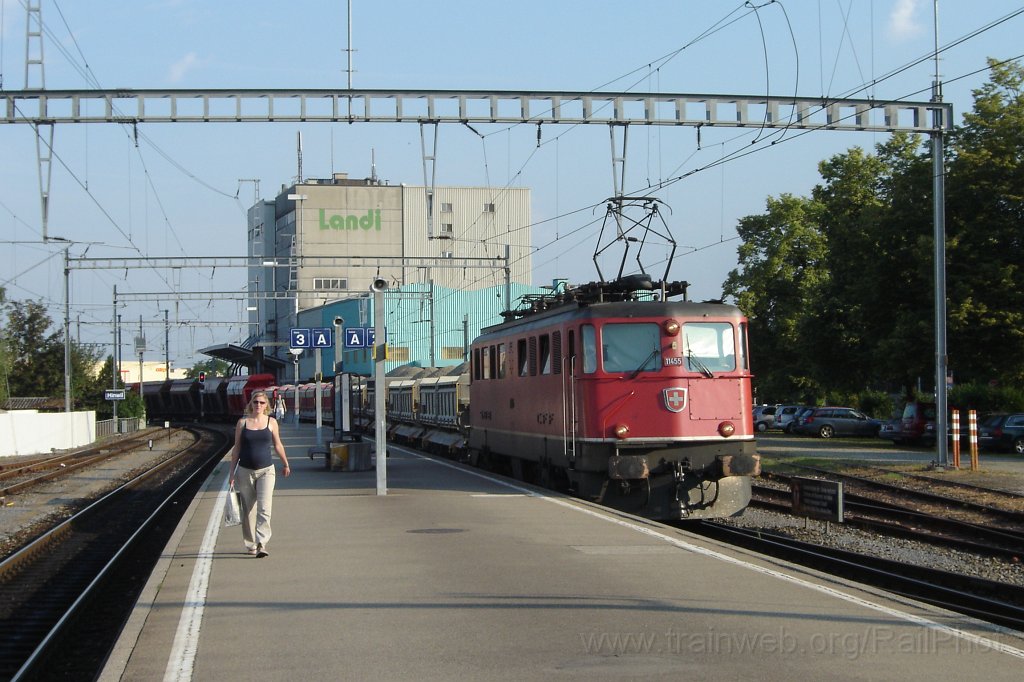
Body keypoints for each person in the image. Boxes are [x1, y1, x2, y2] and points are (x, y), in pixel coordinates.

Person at [229, 390, 291, 558]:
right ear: (251, 404)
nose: (258, 405)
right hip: (245, 471)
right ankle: (251, 544)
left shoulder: (271, 422)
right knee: (248, 510)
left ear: (266, 405)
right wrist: (231, 473)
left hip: (266, 471)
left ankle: (262, 543)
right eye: (255, 402)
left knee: (264, 508)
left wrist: (285, 463)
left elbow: (278, 445)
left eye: (262, 402)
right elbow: (237, 449)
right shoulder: (242, 423)